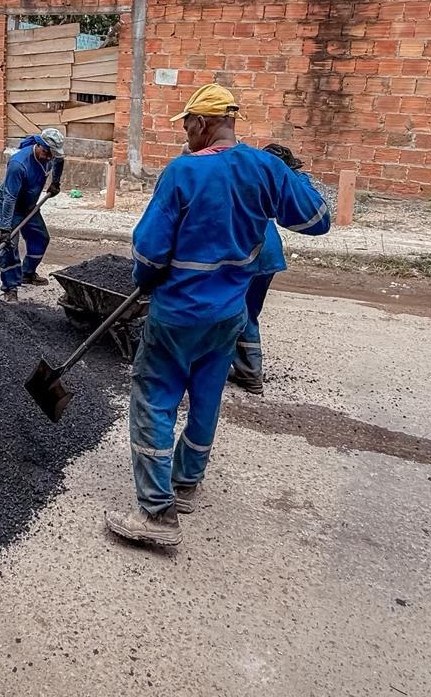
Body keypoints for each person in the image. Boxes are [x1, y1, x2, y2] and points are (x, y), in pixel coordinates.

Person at [105, 85, 331, 546]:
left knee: (155, 398)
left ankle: (156, 514)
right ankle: (186, 484)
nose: (185, 131)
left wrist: (145, 279)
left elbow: (149, 249)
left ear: (204, 123)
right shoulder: (265, 168)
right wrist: (291, 178)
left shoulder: (184, 172)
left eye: (187, 122)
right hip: (229, 312)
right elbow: (317, 220)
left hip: (177, 312)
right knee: (206, 396)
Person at [229, 143, 308, 395]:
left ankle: (240, 372)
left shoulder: (248, 176)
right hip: (269, 250)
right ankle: (249, 373)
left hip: (248, 250)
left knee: (230, 311)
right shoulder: (280, 181)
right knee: (248, 312)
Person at [0, 127, 65, 302]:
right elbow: (9, 198)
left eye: (52, 155)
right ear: (38, 145)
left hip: (28, 205)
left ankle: (27, 273)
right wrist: (5, 228)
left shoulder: (50, 155)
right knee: (10, 245)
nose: (49, 158)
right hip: (9, 206)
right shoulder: (19, 164)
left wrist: (55, 182)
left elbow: (60, 161)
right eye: (47, 153)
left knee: (40, 238)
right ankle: (10, 288)